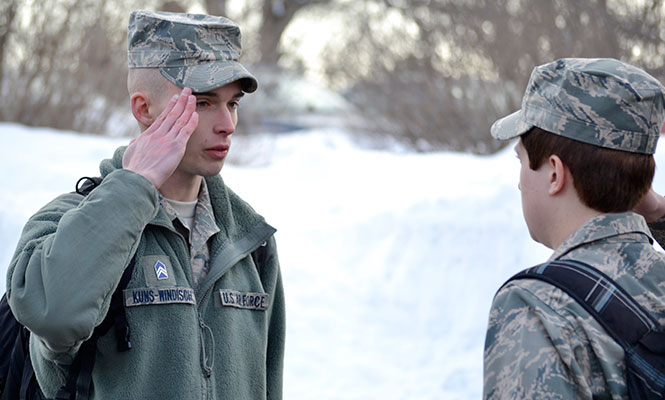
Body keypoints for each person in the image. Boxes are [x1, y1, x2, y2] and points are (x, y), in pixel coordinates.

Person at [5, 10, 284, 399]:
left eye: (232, 103)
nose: (227, 124)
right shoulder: (67, 221)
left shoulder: (249, 241)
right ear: (143, 109)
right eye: (203, 103)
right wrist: (134, 187)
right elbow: (54, 314)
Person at [484, 57, 665, 398]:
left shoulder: (537, 308)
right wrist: (655, 209)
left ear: (554, 173)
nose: (520, 183)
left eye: (521, 161)